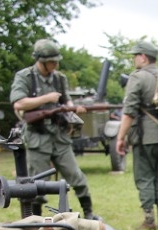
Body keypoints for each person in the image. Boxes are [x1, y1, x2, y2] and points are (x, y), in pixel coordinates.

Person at [10, 39, 98, 220]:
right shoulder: (25, 76)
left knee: (76, 175)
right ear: (40, 60)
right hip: (37, 135)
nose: (56, 64)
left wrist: (74, 109)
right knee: (37, 182)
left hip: (59, 135)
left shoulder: (59, 78)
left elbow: (66, 101)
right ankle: (35, 219)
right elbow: (19, 103)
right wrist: (46, 98)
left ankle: (89, 213)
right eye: (52, 61)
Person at [115, 40, 158, 230]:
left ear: (143, 57)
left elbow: (129, 111)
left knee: (144, 177)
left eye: (135, 56)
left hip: (145, 136)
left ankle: (149, 221)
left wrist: (120, 137)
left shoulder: (138, 77)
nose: (134, 59)